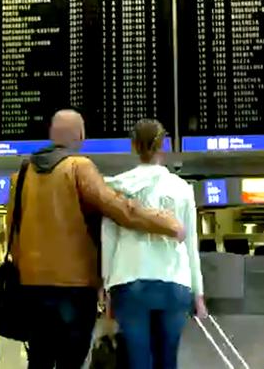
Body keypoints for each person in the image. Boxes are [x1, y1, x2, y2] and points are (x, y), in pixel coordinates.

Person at [6, 109, 185, 369]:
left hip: (32, 286)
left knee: (40, 358)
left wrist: (26, 271)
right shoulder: (79, 167)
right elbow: (118, 209)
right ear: (80, 135)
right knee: (72, 358)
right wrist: (165, 223)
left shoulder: (21, 175)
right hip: (74, 286)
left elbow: (12, 231)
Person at [101, 118, 206, 369]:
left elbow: (109, 239)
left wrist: (105, 286)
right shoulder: (182, 189)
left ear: (133, 146)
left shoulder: (116, 188)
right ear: (164, 146)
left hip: (129, 280)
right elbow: (190, 243)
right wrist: (198, 292)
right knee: (167, 359)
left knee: (138, 360)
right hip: (175, 283)